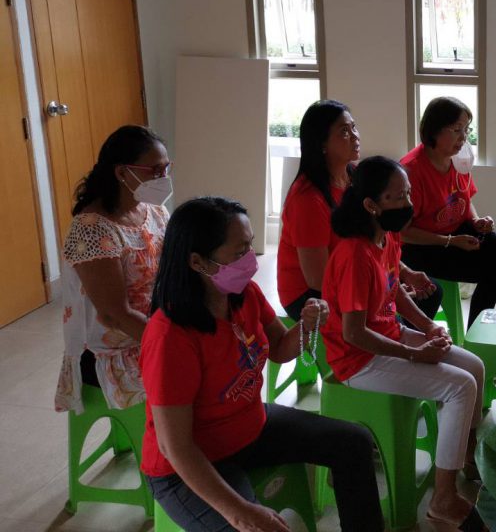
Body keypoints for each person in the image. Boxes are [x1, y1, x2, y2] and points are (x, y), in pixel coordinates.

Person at [142, 197, 383, 532]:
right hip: (188, 466)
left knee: (354, 442)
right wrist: (240, 512)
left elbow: (281, 349)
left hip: (250, 428)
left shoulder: (245, 295)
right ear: (198, 262)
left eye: (250, 245)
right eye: (239, 252)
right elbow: (176, 447)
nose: (250, 260)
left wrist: (307, 324)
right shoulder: (170, 336)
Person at [321, 157, 486, 531]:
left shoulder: (387, 235)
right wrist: (414, 353)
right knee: (460, 387)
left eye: (408, 193)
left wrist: (429, 327)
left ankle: (467, 455)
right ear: (371, 205)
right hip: (358, 360)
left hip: (389, 337)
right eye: (397, 197)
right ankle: (443, 499)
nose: (408, 204)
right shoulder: (353, 255)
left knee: (473, 366)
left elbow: (393, 287)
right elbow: (353, 333)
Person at [278, 99, 440, 322]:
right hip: (311, 297)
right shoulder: (307, 200)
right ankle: (397, 337)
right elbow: (317, 278)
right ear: (321, 143)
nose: (355, 136)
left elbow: (377, 245)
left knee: (431, 292)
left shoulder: (354, 176)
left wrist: (404, 274)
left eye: (354, 127)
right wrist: (381, 289)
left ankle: (401, 334)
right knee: (385, 320)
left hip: (357, 273)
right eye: (344, 132)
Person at [55, 125, 171, 414]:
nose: (164, 178)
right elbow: (114, 315)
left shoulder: (155, 212)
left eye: (166, 168)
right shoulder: (92, 229)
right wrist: (170, 346)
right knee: (190, 386)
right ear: (122, 173)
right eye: (155, 170)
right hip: (113, 353)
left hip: (152, 331)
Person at [400, 96, 496, 327]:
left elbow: (465, 199)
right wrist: (450, 241)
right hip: (423, 247)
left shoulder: (458, 159)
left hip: (455, 234)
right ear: (434, 130)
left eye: (466, 129)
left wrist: (476, 221)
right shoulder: (411, 171)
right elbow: (403, 232)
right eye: (457, 130)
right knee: (495, 268)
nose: (464, 137)